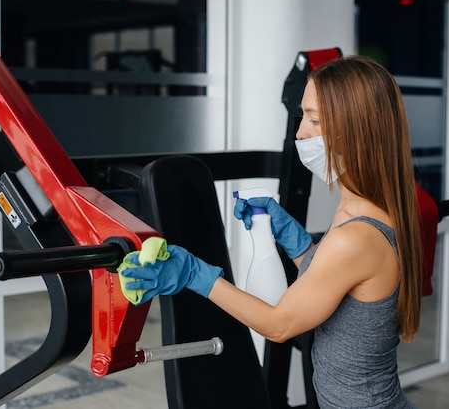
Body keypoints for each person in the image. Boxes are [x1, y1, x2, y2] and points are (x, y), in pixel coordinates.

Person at [121, 55, 422, 409]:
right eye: (302, 117)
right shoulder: (364, 208)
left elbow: (279, 325)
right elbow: (336, 281)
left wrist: (194, 273)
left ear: (354, 128)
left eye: (314, 120)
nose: (300, 132)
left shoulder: (355, 237)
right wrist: (292, 237)